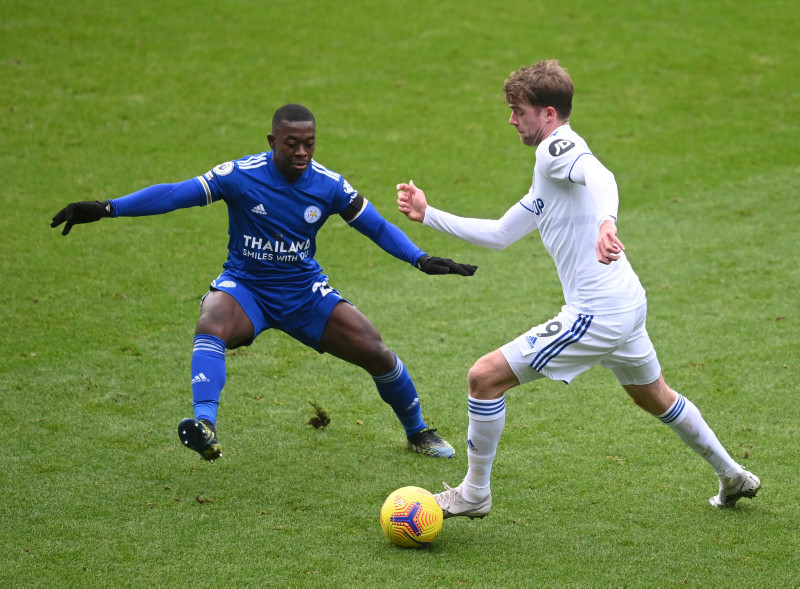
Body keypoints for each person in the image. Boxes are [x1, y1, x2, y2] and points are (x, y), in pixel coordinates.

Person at [396, 60, 760, 516]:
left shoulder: (558, 148)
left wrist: (607, 222)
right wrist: (429, 214)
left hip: (597, 313)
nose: (511, 120)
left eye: (518, 111)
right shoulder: (547, 170)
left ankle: (474, 494)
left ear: (548, 114)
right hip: (626, 302)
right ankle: (732, 475)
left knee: (483, 378)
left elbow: (601, 175)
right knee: (655, 395)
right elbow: (501, 234)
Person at [52, 103, 477, 462]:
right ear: (272, 140)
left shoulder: (329, 186)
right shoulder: (240, 174)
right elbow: (173, 195)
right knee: (211, 320)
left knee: (376, 350)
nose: (301, 151)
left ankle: (418, 432)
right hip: (246, 288)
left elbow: (377, 227)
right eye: (291, 143)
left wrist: (420, 259)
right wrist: (107, 208)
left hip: (303, 293)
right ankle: (205, 425)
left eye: (309, 143)